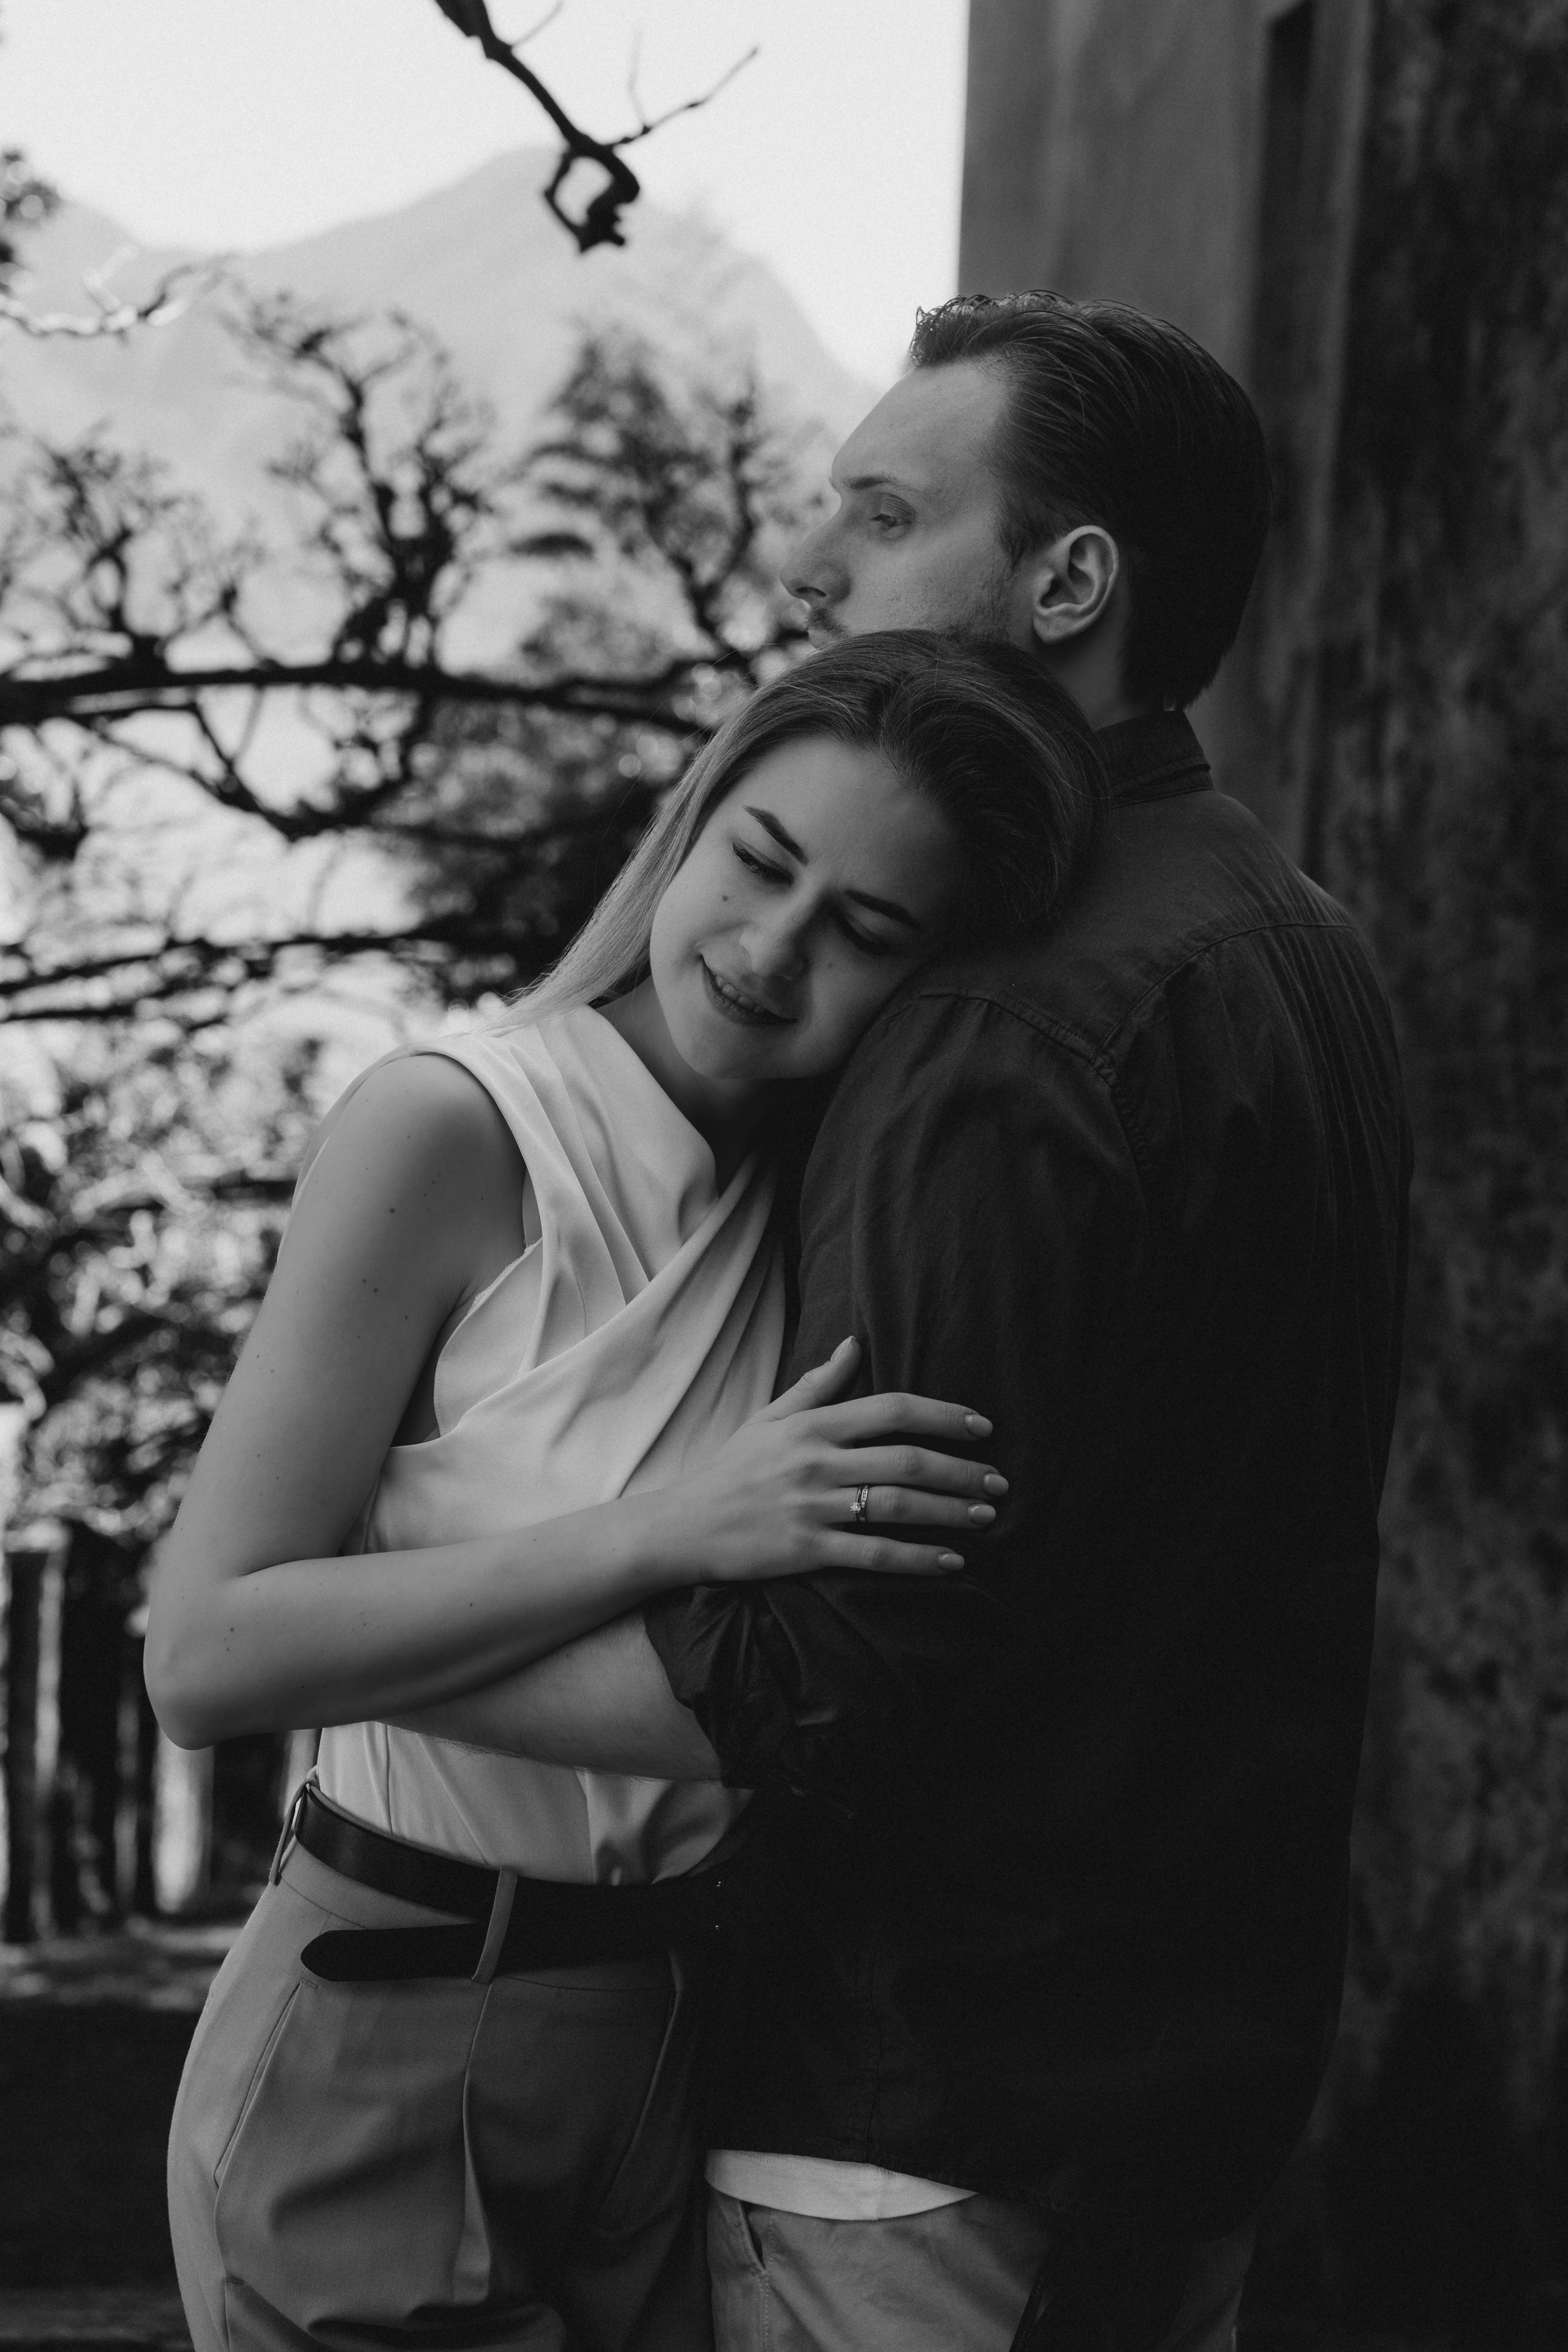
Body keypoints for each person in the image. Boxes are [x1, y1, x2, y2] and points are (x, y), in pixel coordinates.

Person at [406, 293, 1414, 2352]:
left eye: (880, 514)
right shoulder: (1300, 944)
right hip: (1196, 2071)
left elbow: (827, 1670)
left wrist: (353, 1637)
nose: (810, 568)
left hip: (921, 2112)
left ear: (1067, 583)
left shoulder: (998, 1021)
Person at [146, 629, 1107, 2352]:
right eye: (760, 861)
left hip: (677, 2043)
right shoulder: (449, 1131)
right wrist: (668, 1529)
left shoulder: (828, 1209)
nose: (773, 946)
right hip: (386, 2014)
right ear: (693, 816)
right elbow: (204, 1654)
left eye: (866, 933)